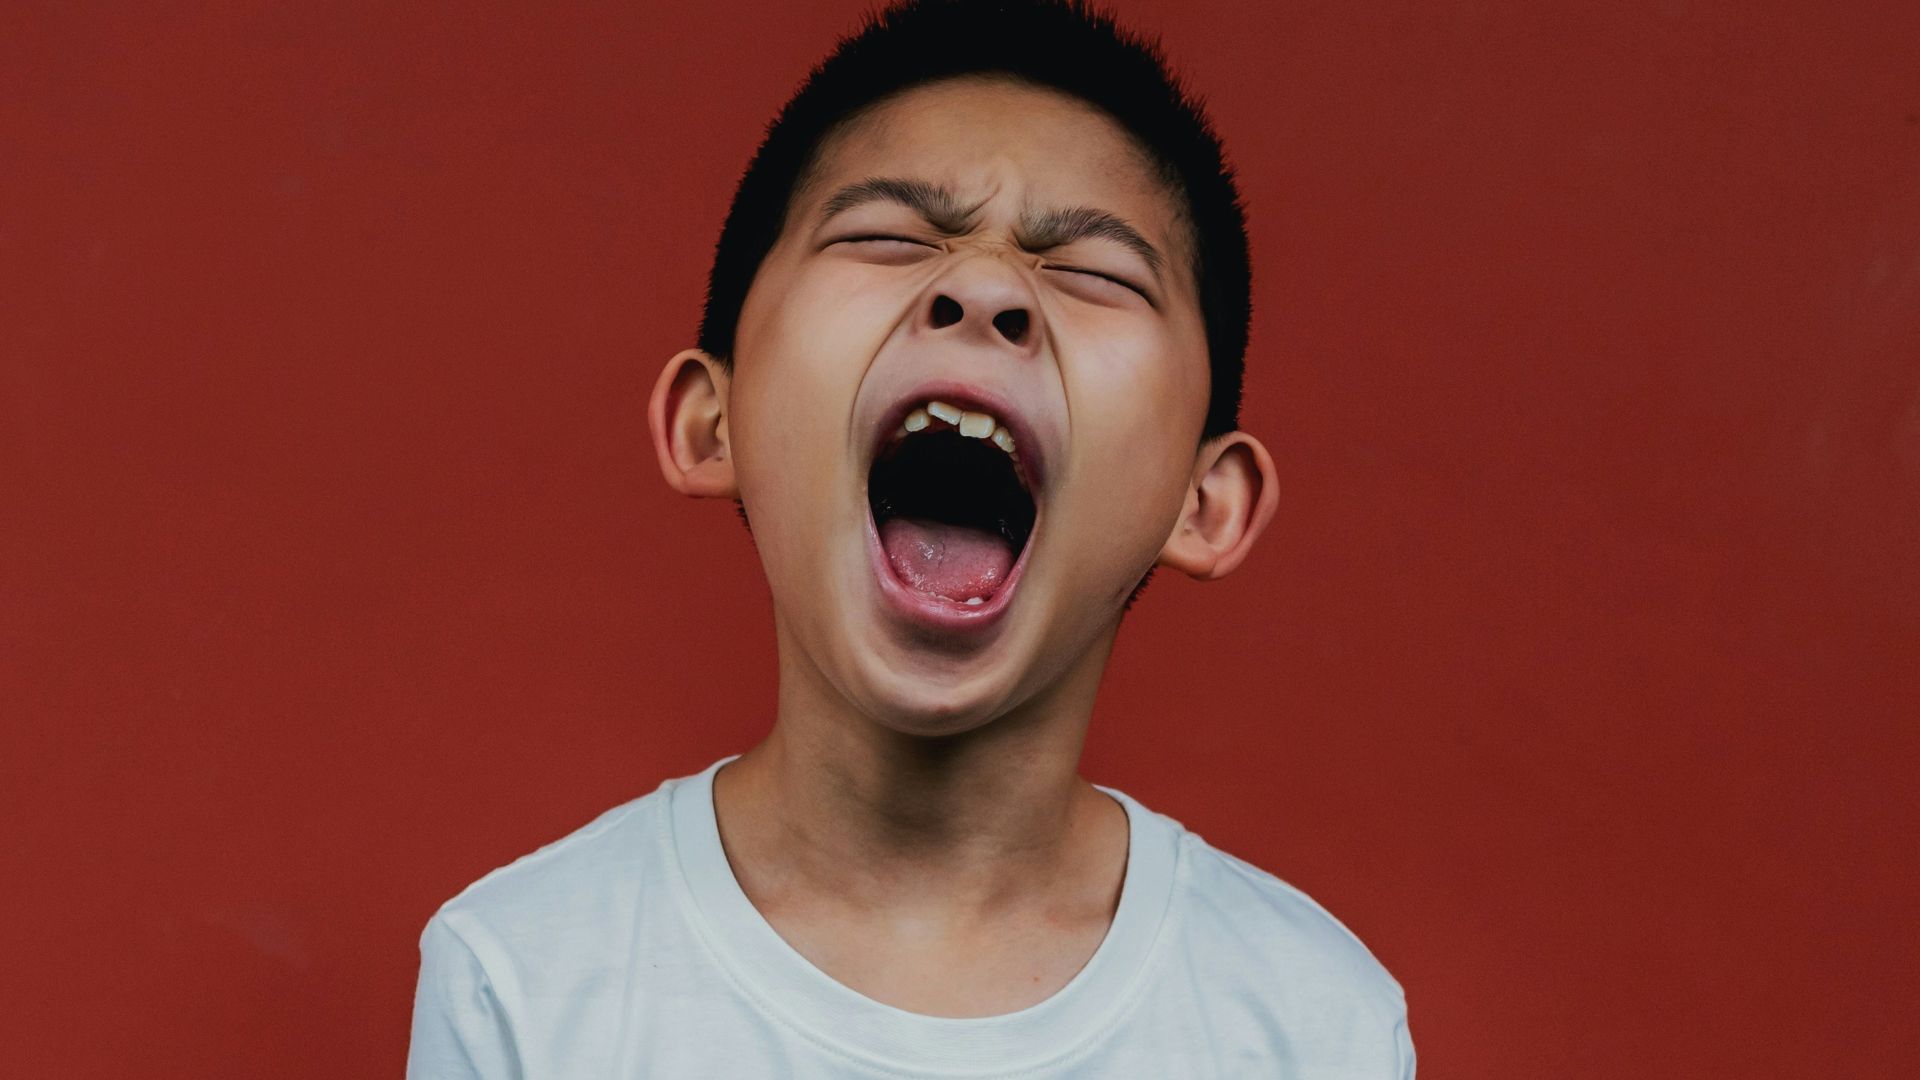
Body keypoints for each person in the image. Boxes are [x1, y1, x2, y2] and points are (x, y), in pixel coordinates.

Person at [406, 1, 1413, 1075]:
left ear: (1205, 502)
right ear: (714, 423)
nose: (982, 289)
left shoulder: (1312, 1026)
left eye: (1096, 274)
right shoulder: (521, 976)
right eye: (886, 238)